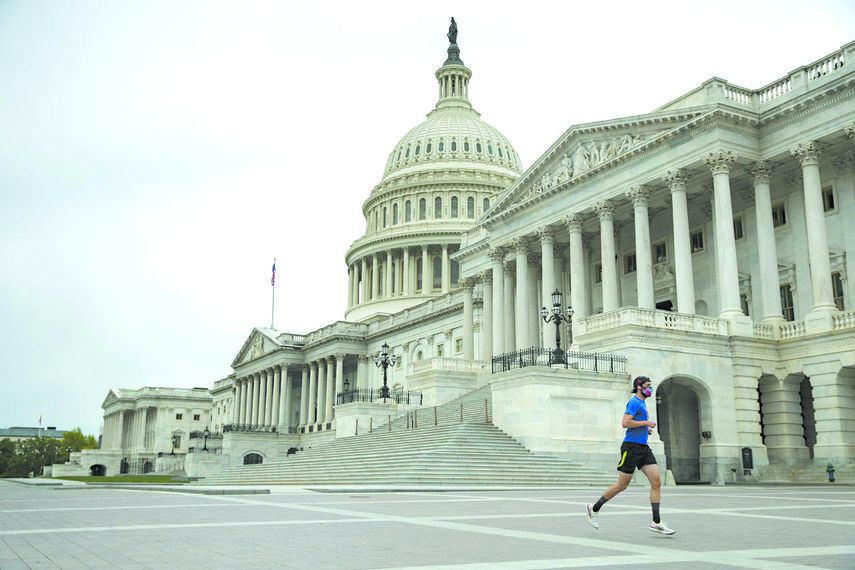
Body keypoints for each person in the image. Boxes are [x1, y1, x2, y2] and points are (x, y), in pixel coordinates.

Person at [585, 376, 676, 535]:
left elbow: (635, 423)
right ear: (639, 387)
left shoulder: (642, 403)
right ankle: (594, 508)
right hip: (631, 448)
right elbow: (625, 422)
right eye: (647, 386)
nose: (650, 389)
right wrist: (646, 423)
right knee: (622, 485)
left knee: (656, 482)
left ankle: (656, 522)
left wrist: (645, 429)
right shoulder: (634, 402)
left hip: (643, 448)